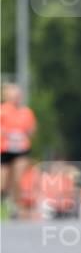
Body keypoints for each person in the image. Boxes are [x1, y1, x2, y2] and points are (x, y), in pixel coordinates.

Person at [1, 83, 37, 218]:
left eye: (18, 95)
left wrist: (27, 133)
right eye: (14, 95)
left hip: (21, 149)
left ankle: (16, 206)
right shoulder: (2, 110)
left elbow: (32, 130)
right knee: (3, 182)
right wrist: (5, 133)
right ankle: (6, 201)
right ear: (7, 96)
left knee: (17, 178)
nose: (17, 97)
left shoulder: (26, 112)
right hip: (5, 150)